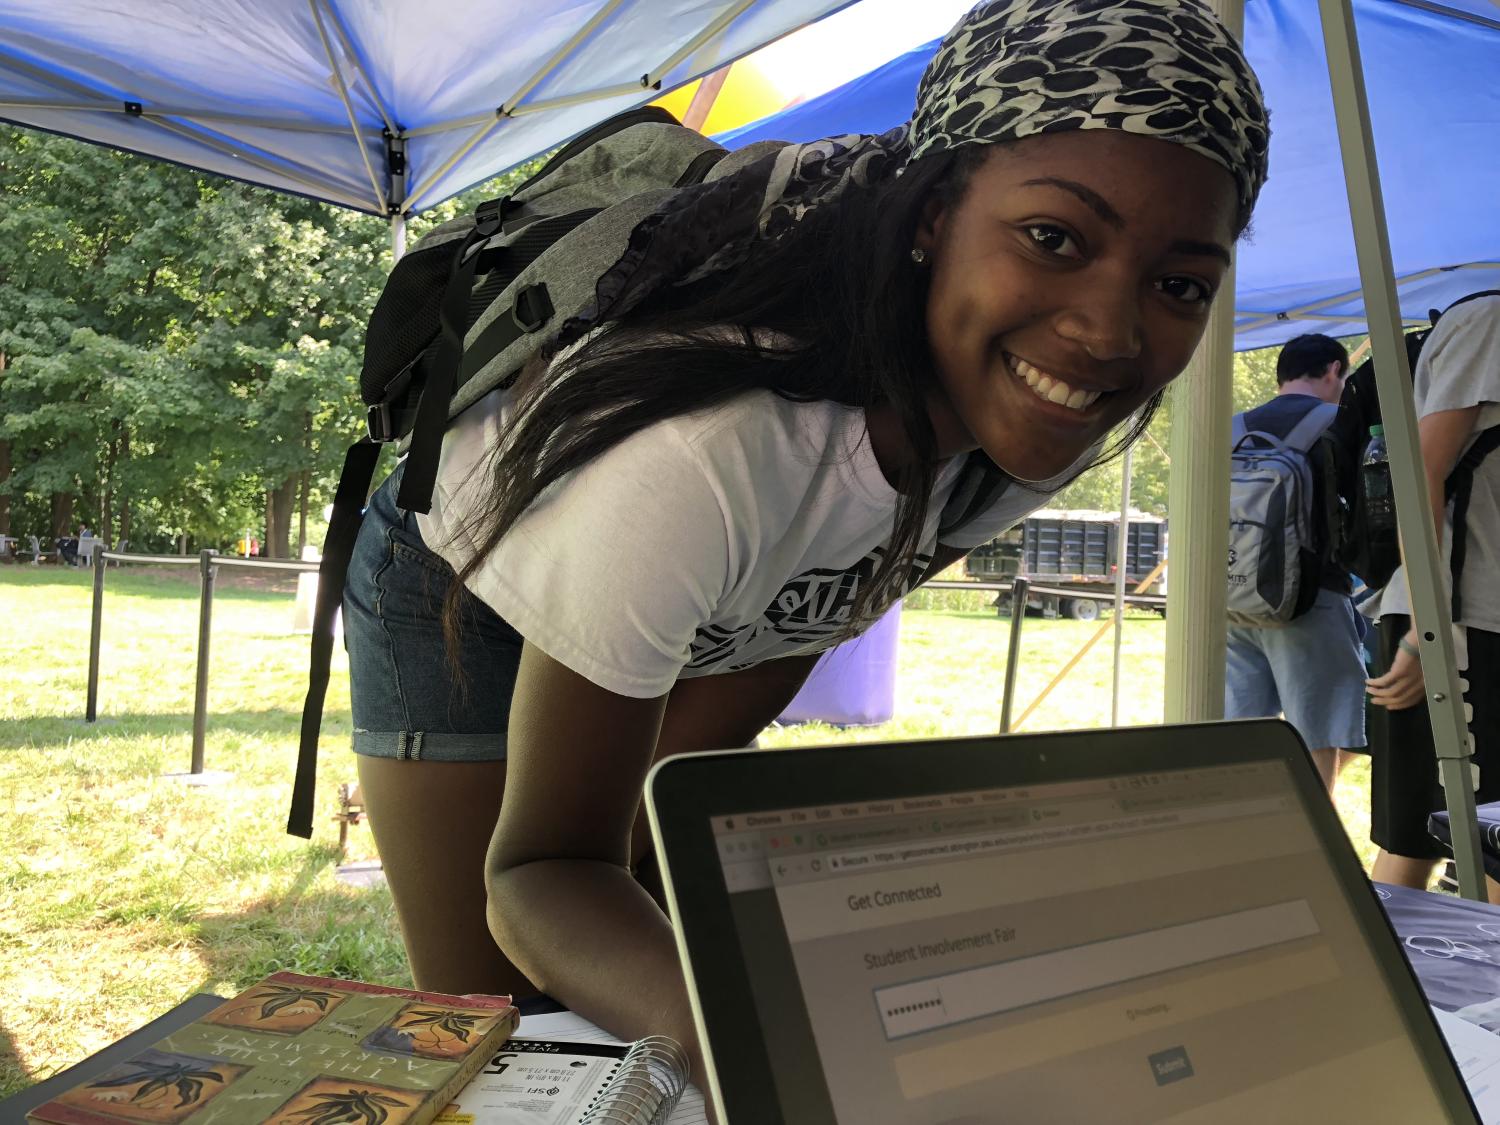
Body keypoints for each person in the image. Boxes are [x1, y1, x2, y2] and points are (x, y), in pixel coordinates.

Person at [341, 0, 1269, 1086]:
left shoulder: (1048, 420)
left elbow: (815, 606)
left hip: (689, 578)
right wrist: (796, 1067)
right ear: (932, 215)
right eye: (1053, 239)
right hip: (455, 570)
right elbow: (542, 870)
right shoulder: (715, 456)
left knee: (649, 906)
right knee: (499, 1029)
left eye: (1180, 285)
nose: (1110, 335)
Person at [1364, 293, 1500, 899]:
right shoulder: (1490, 323)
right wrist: (1427, 636)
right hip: (1457, 621)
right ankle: (1384, 991)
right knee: (1420, 845)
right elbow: (1422, 471)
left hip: (1474, 620)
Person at [1224, 334, 1365, 792]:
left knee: (1241, 735)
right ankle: (1313, 845)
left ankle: (1243, 838)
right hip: (1309, 600)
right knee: (1316, 735)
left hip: (1229, 598)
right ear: (1332, 371)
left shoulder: (1232, 427)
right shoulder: (1337, 423)